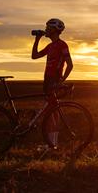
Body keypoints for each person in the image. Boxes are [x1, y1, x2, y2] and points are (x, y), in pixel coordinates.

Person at [31, 18, 73, 149]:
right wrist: (37, 39)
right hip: (47, 80)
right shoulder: (50, 46)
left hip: (54, 80)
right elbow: (34, 56)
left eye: (48, 28)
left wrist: (61, 80)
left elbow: (70, 65)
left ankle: (52, 144)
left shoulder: (62, 45)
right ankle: (52, 143)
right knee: (50, 113)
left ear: (55, 30)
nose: (46, 30)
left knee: (51, 113)